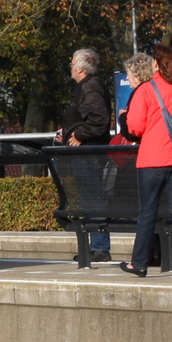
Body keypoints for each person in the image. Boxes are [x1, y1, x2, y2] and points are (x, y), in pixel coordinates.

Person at [119, 44, 172, 279]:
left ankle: (140, 263)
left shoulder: (147, 89)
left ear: (156, 64)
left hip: (153, 159)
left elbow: (135, 127)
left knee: (148, 211)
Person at [56, 48, 113, 261]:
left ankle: (99, 247)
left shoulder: (89, 87)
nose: (70, 67)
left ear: (80, 68)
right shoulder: (89, 86)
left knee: (93, 198)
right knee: (91, 199)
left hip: (88, 154)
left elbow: (99, 118)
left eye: (72, 63)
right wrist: (69, 132)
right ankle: (95, 246)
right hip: (88, 152)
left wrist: (79, 134)